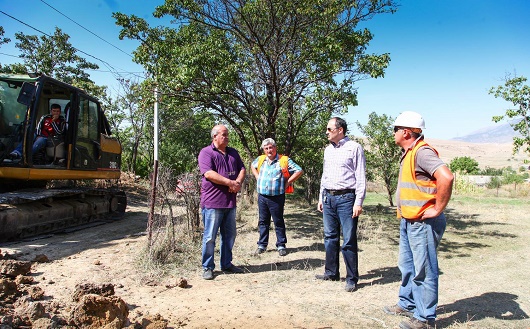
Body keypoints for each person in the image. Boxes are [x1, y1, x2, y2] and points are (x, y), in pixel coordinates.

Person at [383, 111, 454, 329]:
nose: (393, 133)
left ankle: (425, 319)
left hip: (423, 222)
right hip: (409, 220)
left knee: (424, 270)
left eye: (395, 129)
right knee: (407, 266)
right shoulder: (409, 152)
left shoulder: (422, 152)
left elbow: (446, 176)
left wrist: (437, 208)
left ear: (406, 131)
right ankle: (407, 303)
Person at [316, 117, 366, 292]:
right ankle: (331, 272)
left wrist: (358, 202)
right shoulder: (328, 150)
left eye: (330, 129)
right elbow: (325, 175)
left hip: (347, 199)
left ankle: (351, 278)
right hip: (328, 198)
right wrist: (321, 198)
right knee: (330, 237)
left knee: (349, 240)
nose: (327, 132)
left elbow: (360, 177)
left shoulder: (354, 148)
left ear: (340, 130)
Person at [198, 124, 246, 280]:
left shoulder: (233, 152)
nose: (227, 137)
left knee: (229, 235)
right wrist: (229, 183)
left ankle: (226, 264)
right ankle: (207, 267)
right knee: (210, 237)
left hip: (230, 203)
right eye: (224, 134)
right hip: (212, 203)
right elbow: (209, 174)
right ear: (215, 136)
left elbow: (242, 168)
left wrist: (237, 182)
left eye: (227, 135)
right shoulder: (206, 152)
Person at [251, 138, 303, 257]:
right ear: (264, 150)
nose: (269, 150)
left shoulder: (283, 160)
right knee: (263, 221)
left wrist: (288, 182)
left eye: (271, 147)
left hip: (277, 197)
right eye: (266, 148)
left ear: (275, 148)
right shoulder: (261, 159)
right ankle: (262, 245)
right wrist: (257, 177)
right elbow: (252, 166)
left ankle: (281, 245)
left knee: (278, 221)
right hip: (262, 196)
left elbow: (299, 170)